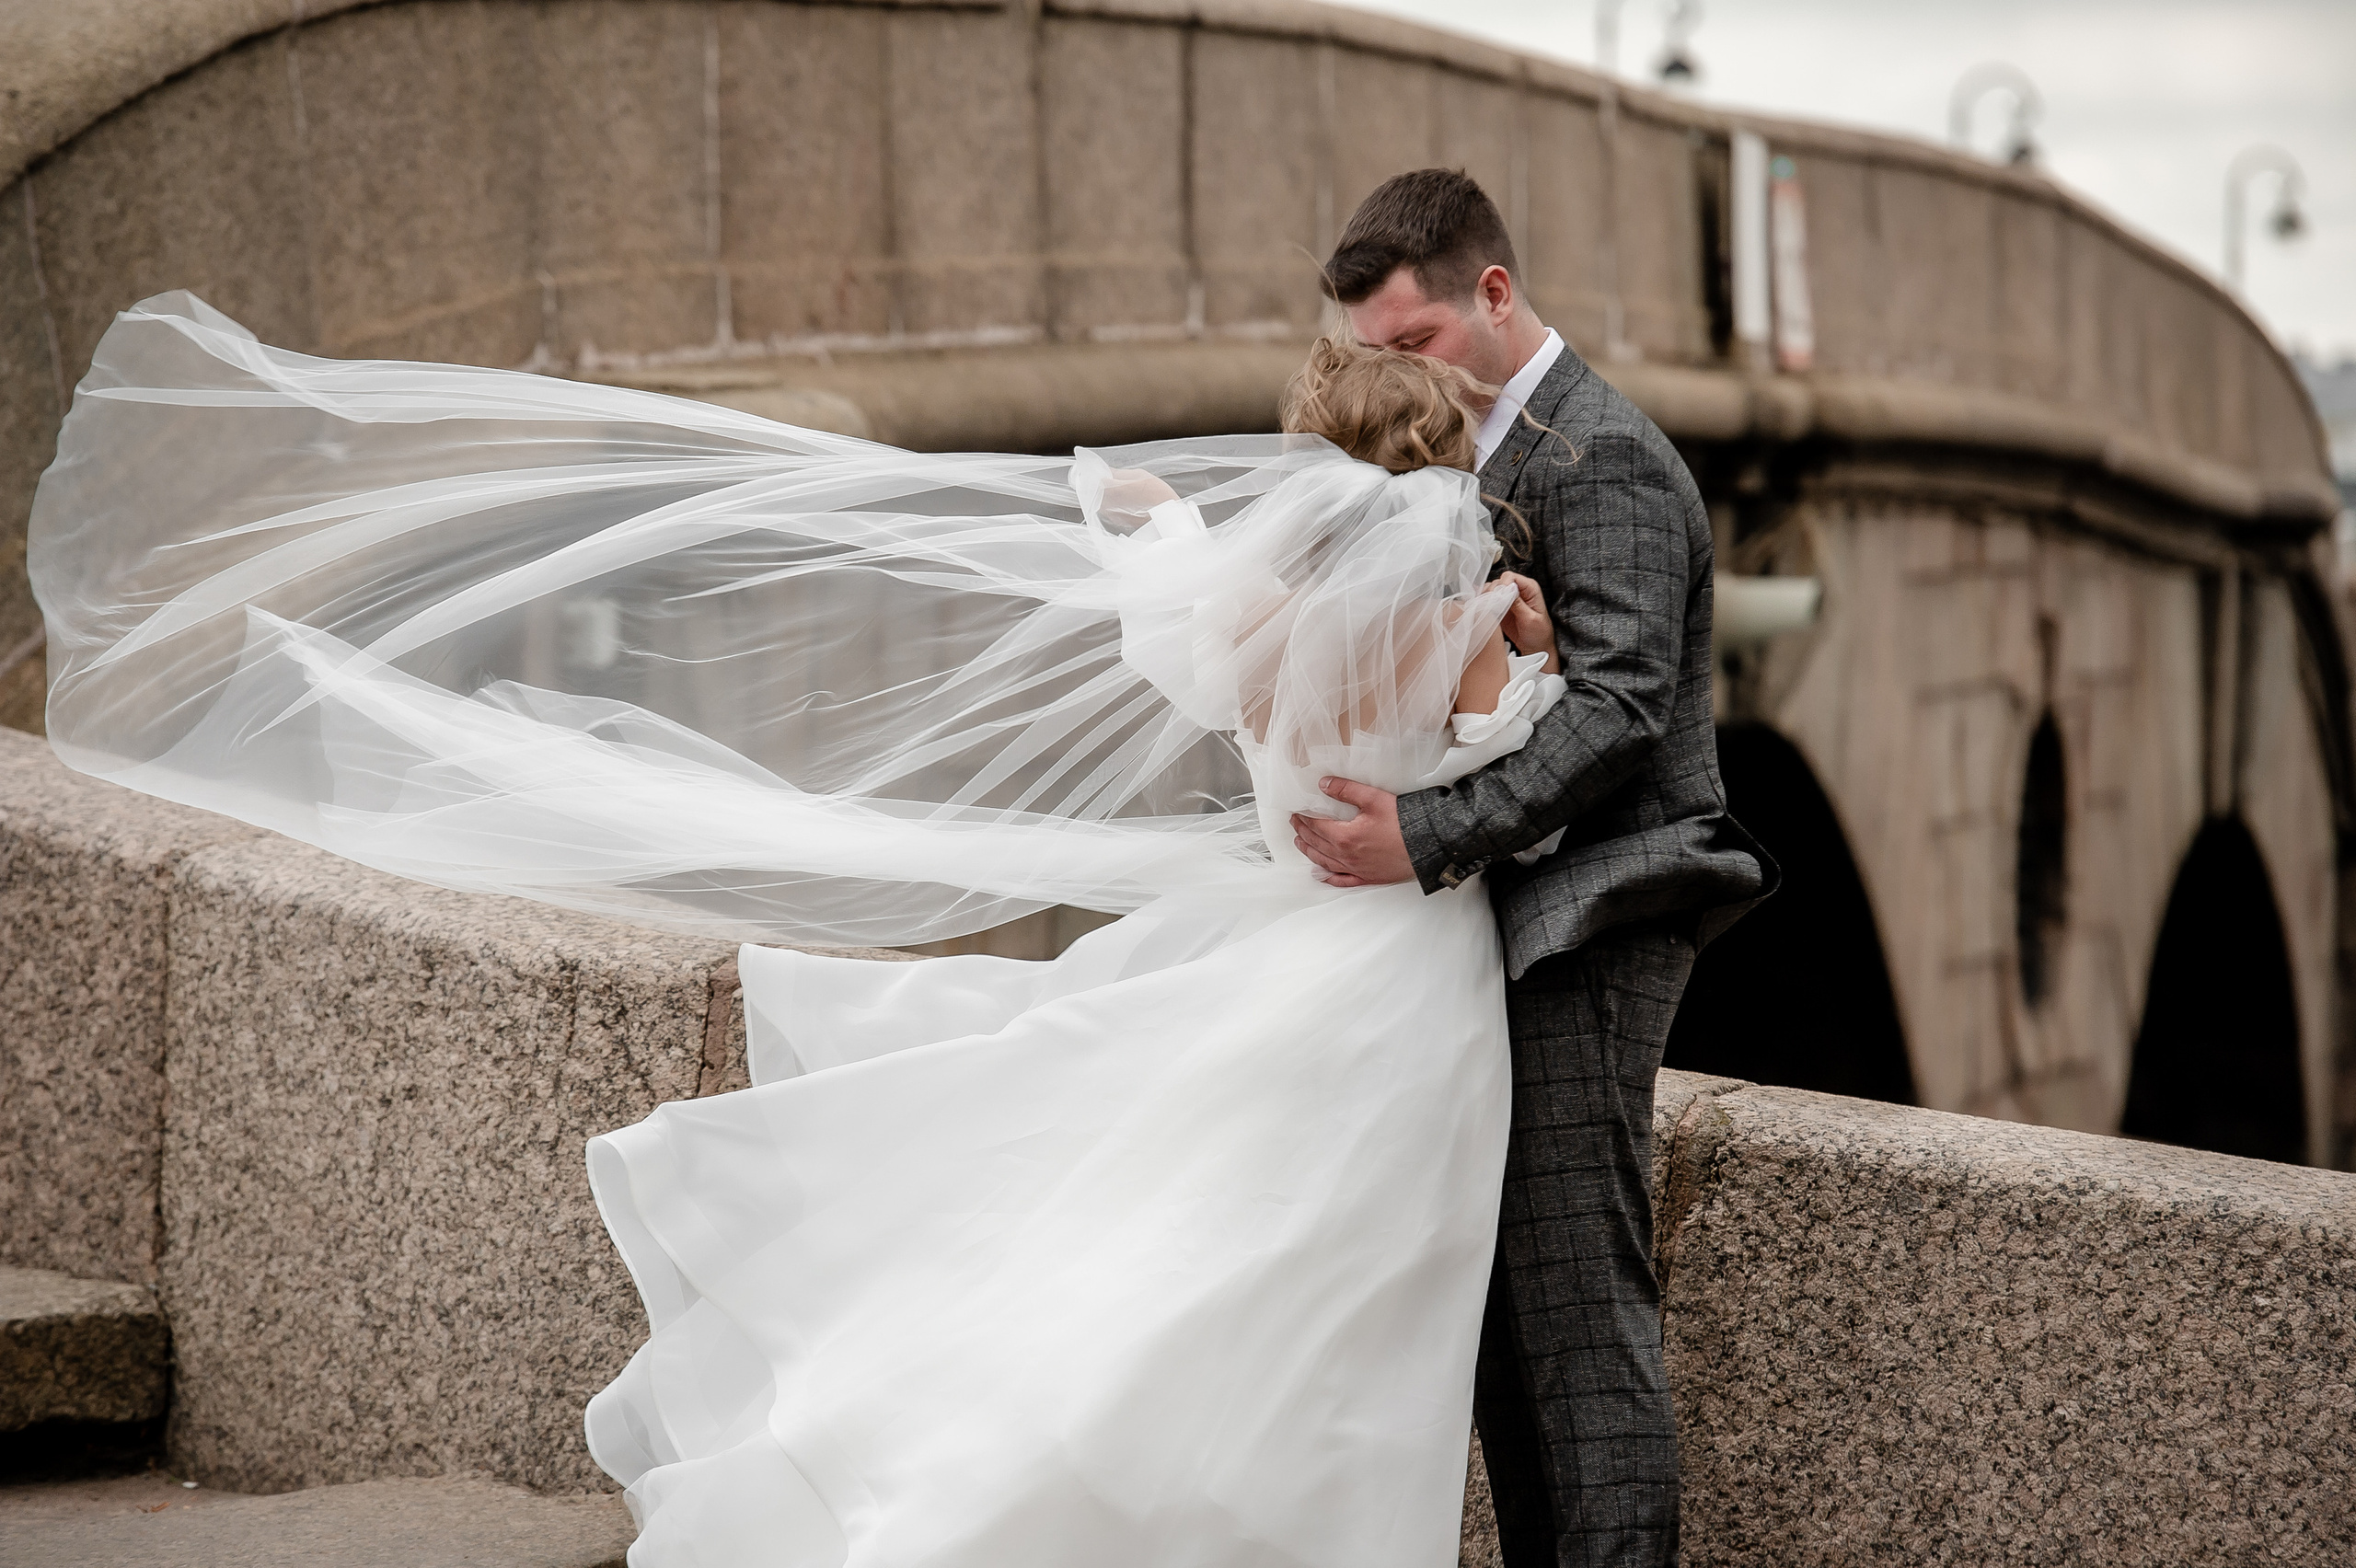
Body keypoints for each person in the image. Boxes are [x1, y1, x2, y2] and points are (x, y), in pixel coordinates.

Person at [29, 292, 1660, 1567]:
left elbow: (1215, 664)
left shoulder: (1239, 614)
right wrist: (1515, 641)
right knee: (1352, 1296)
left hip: (1283, 942)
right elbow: (1570, 756)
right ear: (1433, 477)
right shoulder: (1464, 622)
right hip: (1403, 981)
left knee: (1217, 1258)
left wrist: (1183, 533)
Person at [1290, 169, 1773, 1568]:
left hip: (1596, 917)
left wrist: (1422, 836)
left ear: (1495, 295)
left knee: (1574, 1299)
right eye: (1376, 354)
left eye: (1418, 344)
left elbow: (1624, 711)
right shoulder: (1457, 454)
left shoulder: (1600, 454)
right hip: (1499, 921)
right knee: (1498, 1306)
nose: (1400, 374)